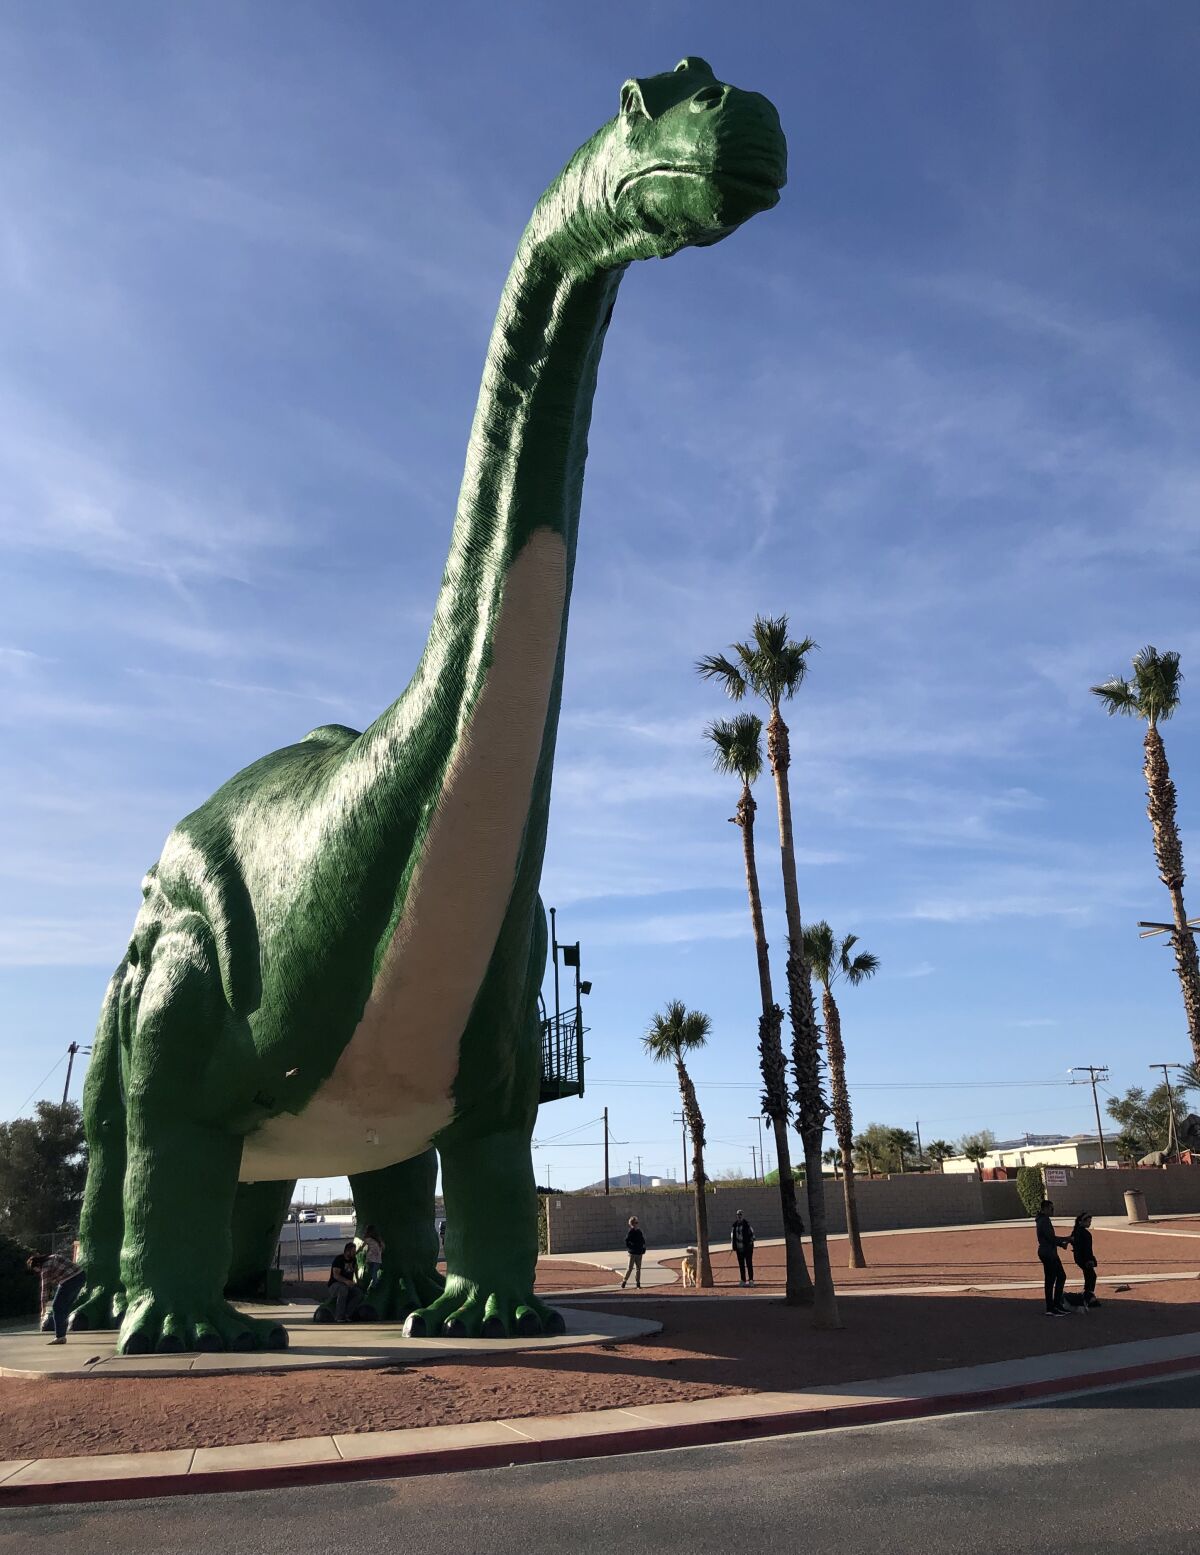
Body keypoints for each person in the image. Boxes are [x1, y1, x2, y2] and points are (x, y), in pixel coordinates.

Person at [27, 1250, 86, 1345]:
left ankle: (60, 1337)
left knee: (56, 1306)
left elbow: (45, 1289)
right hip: (80, 1276)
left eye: (36, 1270)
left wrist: (43, 1308)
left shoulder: (45, 1268)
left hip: (70, 1280)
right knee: (64, 1307)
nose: (37, 1272)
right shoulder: (53, 1256)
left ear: (38, 1265)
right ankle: (62, 1334)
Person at [1035, 1198, 1070, 1315]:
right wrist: (1066, 1239)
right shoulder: (1044, 1221)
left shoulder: (1042, 1220)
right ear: (1045, 1209)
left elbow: (1050, 1238)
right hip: (1048, 1253)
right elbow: (1051, 1238)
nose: (1053, 1210)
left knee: (1054, 1278)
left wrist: (1061, 1243)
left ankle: (1055, 1305)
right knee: (1057, 1278)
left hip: (1048, 1252)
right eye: (1051, 1208)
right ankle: (1052, 1306)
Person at [1070, 1212, 1101, 1308]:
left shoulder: (1076, 1231)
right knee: (1091, 1276)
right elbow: (1087, 1248)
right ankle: (1088, 1297)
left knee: (1090, 1276)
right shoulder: (1084, 1233)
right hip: (1085, 1258)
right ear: (1081, 1222)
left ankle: (1088, 1295)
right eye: (1088, 1221)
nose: (1089, 1223)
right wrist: (1089, 1259)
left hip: (1080, 1257)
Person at [328, 1240, 362, 1322]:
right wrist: (346, 1281)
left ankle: (347, 1314)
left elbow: (355, 1273)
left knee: (358, 1293)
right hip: (335, 1286)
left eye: (355, 1251)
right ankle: (339, 1316)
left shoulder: (354, 1260)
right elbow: (336, 1275)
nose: (354, 1253)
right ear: (347, 1251)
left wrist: (357, 1282)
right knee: (343, 1289)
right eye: (353, 1251)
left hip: (348, 1285)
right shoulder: (339, 1259)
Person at [731, 1210, 756, 1285]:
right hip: (739, 1248)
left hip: (747, 1248)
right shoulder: (734, 1225)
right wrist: (734, 1246)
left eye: (740, 1214)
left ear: (743, 1215)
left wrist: (750, 1243)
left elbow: (753, 1236)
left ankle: (751, 1280)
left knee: (749, 1264)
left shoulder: (747, 1225)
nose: (739, 1216)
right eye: (738, 1214)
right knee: (741, 1265)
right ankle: (743, 1280)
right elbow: (732, 1237)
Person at [622, 1215, 645, 1289]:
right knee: (630, 1268)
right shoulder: (631, 1232)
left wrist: (643, 1248)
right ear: (632, 1224)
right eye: (635, 1223)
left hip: (639, 1252)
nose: (637, 1224)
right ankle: (624, 1281)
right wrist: (631, 1248)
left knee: (638, 1269)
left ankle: (638, 1283)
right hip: (632, 1253)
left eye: (637, 1222)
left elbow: (642, 1240)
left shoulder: (639, 1231)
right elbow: (627, 1241)